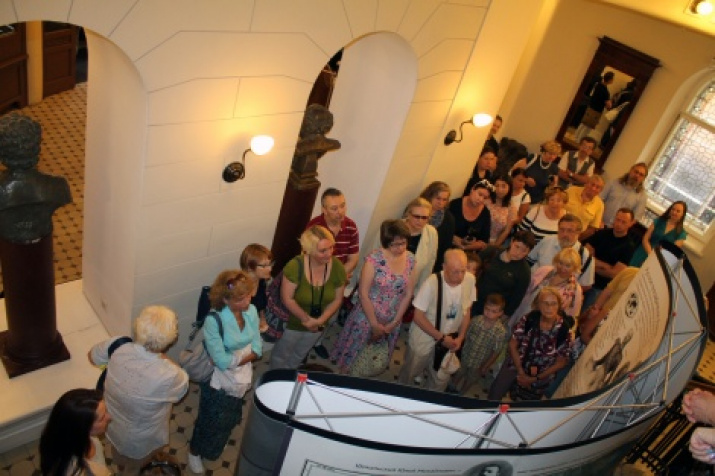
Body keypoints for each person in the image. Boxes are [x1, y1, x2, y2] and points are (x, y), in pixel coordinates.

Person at [89, 306, 188, 472]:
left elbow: (92, 357)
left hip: (113, 423)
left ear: (138, 326)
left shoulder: (118, 345)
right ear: (171, 339)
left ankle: (121, 465)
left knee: (118, 454)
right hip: (143, 438)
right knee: (139, 464)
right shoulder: (170, 374)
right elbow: (180, 391)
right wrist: (161, 355)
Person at [188, 270, 262, 474]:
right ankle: (194, 451)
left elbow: (258, 347)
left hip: (239, 377)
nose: (248, 300)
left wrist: (235, 358)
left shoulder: (252, 311)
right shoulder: (214, 320)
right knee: (208, 418)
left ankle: (221, 434)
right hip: (217, 383)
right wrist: (244, 356)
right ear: (225, 299)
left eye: (248, 294)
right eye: (241, 298)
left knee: (228, 414)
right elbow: (220, 362)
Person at [330, 220, 416, 373]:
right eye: (396, 244)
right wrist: (374, 324)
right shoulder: (373, 259)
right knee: (353, 357)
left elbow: (408, 293)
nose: (401, 248)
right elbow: (363, 294)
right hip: (366, 317)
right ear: (386, 242)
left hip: (392, 317)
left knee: (372, 359)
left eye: (404, 243)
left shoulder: (410, 259)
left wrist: (395, 322)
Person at [269, 225, 346, 370]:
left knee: (299, 355)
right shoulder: (294, 266)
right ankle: (275, 379)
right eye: (323, 250)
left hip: (319, 324)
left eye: (331, 247)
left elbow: (337, 299)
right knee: (280, 356)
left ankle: (290, 377)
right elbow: (287, 298)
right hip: (293, 324)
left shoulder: (337, 266)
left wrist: (320, 321)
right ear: (309, 251)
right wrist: (307, 320)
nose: (329, 253)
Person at [398, 249, 476, 391]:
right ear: (444, 267)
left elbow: (467, 310)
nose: (460, 276)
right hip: (425, 334)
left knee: (440, 380)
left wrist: (461, 337)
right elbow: (418, 316)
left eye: (463, 271)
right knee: (412, 369)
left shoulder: (470, 280)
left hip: (450, 338)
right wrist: (440, 337)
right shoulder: (431, 283)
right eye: (455, 271)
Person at [488, 287, 572, 401]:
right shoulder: (530, 319)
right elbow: (513, 344)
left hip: (540, 375)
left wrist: (534, 379)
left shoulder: (563, 330)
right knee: (496, 393)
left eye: (553, 304)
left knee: (523, 404)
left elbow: (561, 362)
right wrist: (520, 370)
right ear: (538, 305)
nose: (549, 308)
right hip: (516, 362)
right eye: (545, 303)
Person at [307, 188, 359, 358]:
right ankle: (305, 347)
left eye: (343, 206)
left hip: (337, 281)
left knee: (331, 315)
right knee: (311, 313)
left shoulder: (351, 226)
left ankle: (318, 342)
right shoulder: (314, 227)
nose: (340, 211)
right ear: (324, 209)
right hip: (316, 281)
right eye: (334, 208)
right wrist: (331, 277)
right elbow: (308, 259)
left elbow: (353, 258)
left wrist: (338, 276)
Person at [40, 388, 112, 476]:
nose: (109, 417)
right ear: (83, 427)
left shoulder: (84, 437)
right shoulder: (74, 471)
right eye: (102, 418)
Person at [511, 248, 583, 329]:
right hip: (522, 311)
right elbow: (526, 289)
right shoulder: (544, 270)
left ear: (575, 267)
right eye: (560, 263)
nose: (563, 268)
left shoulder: (575, 290)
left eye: (568, 266)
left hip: (543, 324)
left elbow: (573, 316)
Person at [450, 293, 507, 395]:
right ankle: (452, 386)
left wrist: (486, 366)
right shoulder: (476, 320)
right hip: (465, 355)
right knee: (459, 372)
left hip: (479, 363)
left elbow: (496, 351)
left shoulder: (500, 332)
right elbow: (466, 335)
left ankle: (462, 392)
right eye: (487, 309)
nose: (489, 313)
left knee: (471, 378)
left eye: (493, 311)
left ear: (500, 313)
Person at [472, 230, 535, 320]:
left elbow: (517, 297)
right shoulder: (491, 252)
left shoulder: (524, 271)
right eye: (517, 247)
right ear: (512, 241)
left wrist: (504, 316)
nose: (518, 253)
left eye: (524, 251)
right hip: (474, 299)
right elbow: (473, 267)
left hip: (493, 312)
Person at [582, 208, 637, 309]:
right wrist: (605, 266)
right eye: (617, 219)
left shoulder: (629, 246)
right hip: (583, 278)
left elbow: (614, 273)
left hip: (600, 287)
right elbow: (584, 254)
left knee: (585, 314)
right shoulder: (602, 233)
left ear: (630, 224)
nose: (619, 224)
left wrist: (592, 261)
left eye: (623, 222)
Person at [527, 213, 595, 292]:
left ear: (579, 233)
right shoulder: (547, 241)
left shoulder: (585, 257)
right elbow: (529, 261)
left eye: (570, 231)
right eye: (562, 230)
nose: (564, 234)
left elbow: (586, 285)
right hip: (532, 290)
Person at [630, 201, 687, 267]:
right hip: (644, 251)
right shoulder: (659, 221)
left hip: (659, 261)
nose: (674, 212)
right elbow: (645, 239)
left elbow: (671, 252)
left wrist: (655, 257)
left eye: (678, 211)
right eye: (673, 209)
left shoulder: (681, 234)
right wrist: (650, 254)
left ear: (682, 214)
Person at [403, 197, 438, 291]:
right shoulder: (393, 228)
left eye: (424, 218)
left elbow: (429, 265)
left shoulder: (431, 233)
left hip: (410, 288)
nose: (420, 221)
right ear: (408, 215)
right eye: (416, 216)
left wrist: (419, 292)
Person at [420, 181, 455, 273]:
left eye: (444, 200)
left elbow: (445, 247)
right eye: (438, 198)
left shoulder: (448, 218)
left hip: (432, 261)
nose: (441, 203)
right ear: (429, 196)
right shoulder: (417, 209)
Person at [513, 140, 561, 205]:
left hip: (536, 200)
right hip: (519, 195)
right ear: (544, 152)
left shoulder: (554, 168)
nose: (552, 157)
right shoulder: (533, 158)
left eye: (555, 155)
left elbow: (553, 187)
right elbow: (514, 171)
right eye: (550, 154)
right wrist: (526, 180)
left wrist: (552, 186)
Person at [600, 162, 648, 227]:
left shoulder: (642, 197)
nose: (637, 176)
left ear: (643, 178)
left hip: (616, 231)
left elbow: (634, 219)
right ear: (630, 170)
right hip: (599, 222)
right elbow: (599, 200)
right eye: (636, 172)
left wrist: (620, 229)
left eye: (641, 175)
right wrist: (599, 220)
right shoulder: (613, 183)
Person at [239, 243, 274, 334]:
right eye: (264, 266)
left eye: (270, 264)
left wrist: (262, 319)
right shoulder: (237, 287)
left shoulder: (262, 281)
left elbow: (260, 305)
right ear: (250, 267)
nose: (270, 269)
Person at [449, 180, 492, 252]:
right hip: (449, 246)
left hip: (469, 252)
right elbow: (444, 228)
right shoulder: (455, 205)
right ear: (472, 189)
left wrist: (469, 246)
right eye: (480, 194)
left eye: (485, 198)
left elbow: (484, 241)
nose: (481, 199)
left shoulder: (485, 213)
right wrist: (455, 239)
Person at [563, 175, 605, 240]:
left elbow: (592, 228)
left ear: (600, 191)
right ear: (587, 183)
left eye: (597, 187)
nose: (593, 188)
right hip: (558, 228)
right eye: (592, 184)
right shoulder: (571, 190)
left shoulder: (600, 205)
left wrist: (577, 238)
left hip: (575, 238)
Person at [486, 175, 515, 246]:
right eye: (497, 185)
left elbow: (506, 231)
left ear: (509, 188)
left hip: (494, 241)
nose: (499, 189)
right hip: (478, 239)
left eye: (503, 186)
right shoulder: (485, 200)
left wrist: (494, 246)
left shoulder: (511, 207)